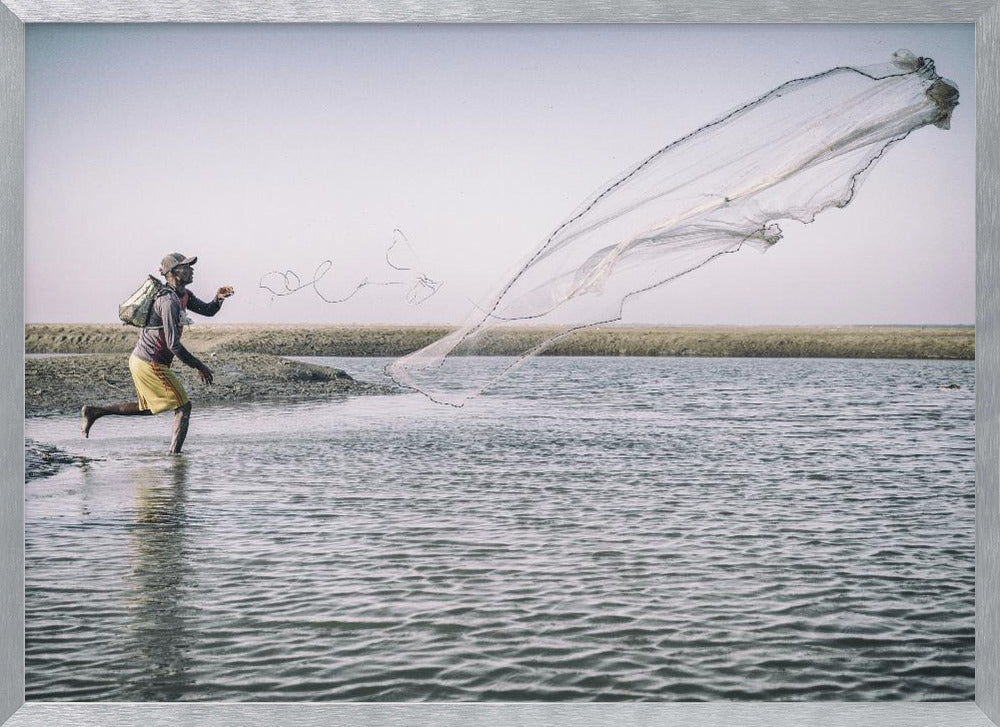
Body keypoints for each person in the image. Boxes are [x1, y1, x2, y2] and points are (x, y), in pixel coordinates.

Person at [81, 253, 235, 454]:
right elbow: (174, 345)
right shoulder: (168, 300)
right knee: (184, 407)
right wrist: (199, 365)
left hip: (141, 360)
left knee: (148, 408)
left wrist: (218, 299)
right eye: (186, 267)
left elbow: (208, 310)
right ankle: (175, 459)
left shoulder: (184, 295)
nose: (191, 270)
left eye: (190, 266)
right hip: (150, 362)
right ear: (173, 273)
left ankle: (95, 412)